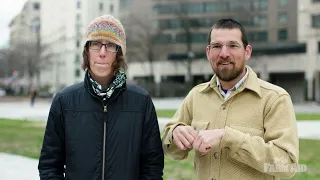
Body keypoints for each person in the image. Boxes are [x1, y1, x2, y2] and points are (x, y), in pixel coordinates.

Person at [161, 19, 299, 180]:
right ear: (208, 53)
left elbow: (287, 166)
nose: (224, 53)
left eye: (233, 45)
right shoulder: (196, 95)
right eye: (217, 46)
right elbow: (172, 151)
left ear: (247, 52)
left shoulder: (275, 99)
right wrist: (174, 133)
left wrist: (228, 138)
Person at [38, 15, 164, 180]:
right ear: (87, 51)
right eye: (96, 44)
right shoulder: (64, 101)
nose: (103, 53)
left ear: (119, 53)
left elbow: (152, 167)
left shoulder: (141, 102)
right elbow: (49, 166)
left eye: (111, 45)